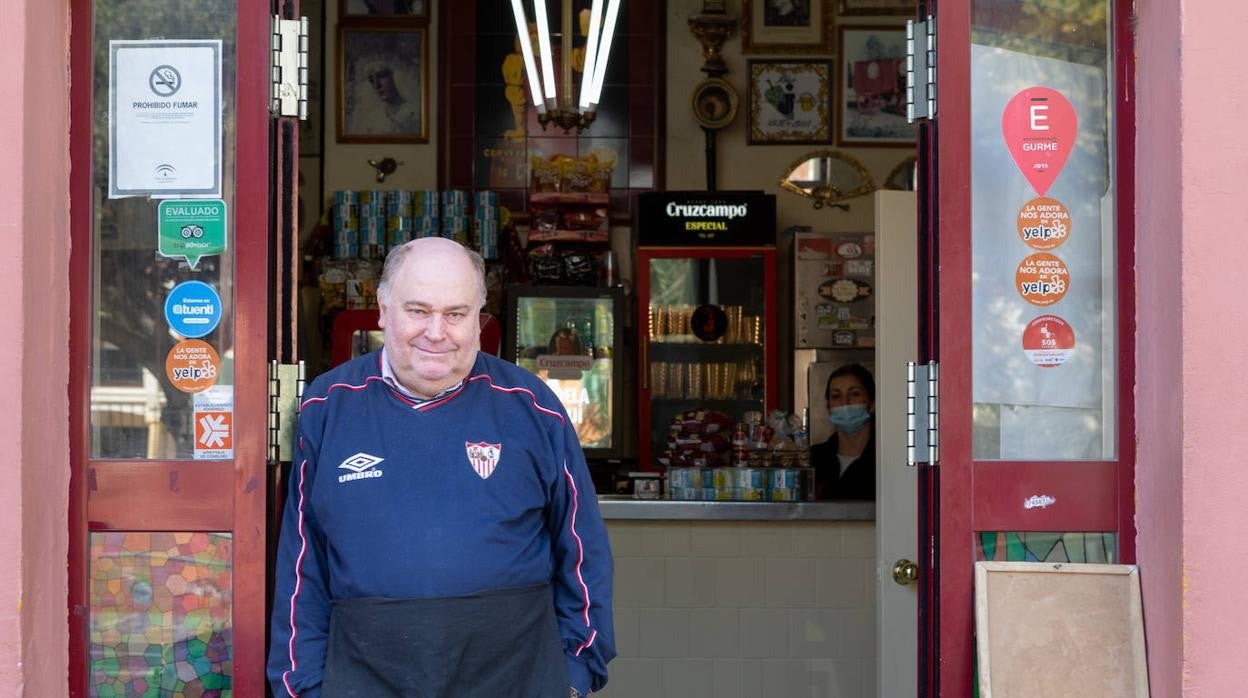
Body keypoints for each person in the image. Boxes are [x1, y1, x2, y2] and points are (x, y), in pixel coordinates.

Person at [267, 237, 615, 697]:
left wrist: (573, 676)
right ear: (383, 309)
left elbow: (582, 550)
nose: (437, 331)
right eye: (418, 311)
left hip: (516, 675)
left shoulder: (533, 408)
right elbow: (302, 563)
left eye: (455, 314)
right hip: (365, 674)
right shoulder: (328, 406)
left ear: (478, 318)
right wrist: (302, 686)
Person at [811, 363, 876, 500]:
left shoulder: (884, 459)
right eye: (836, 396)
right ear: (828, 407)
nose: (845, 403)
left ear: (872, 404)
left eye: (854, 394)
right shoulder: (814, 459)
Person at [350, 58, 421, 136]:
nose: (377, 85)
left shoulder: (415, 114)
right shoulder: (372, 120)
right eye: (371, 80)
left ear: (395, 76)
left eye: (381, 76)